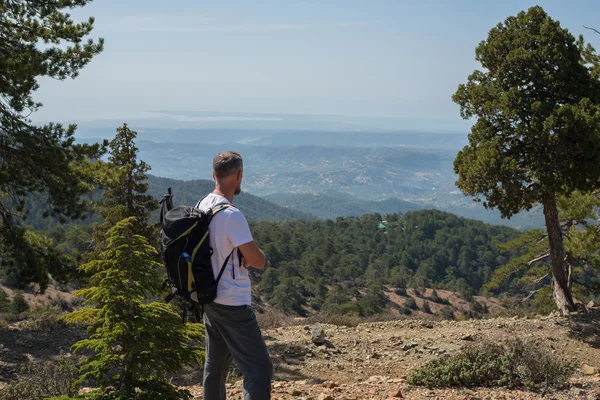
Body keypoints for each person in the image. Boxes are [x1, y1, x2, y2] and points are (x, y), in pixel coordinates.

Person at [196, 151, 273, 400]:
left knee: (215, 368)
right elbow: (257, 260)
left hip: (209, 297)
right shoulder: (231, 215)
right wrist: (252, 254)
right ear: (239, 176)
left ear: (214, 175)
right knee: (258, 368)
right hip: (232, 301)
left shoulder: (202, 205)